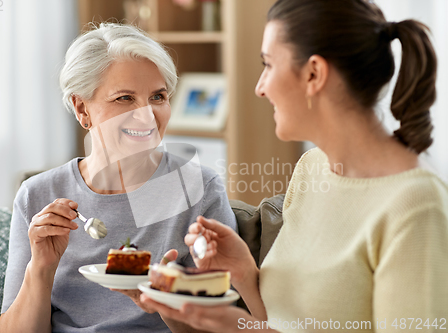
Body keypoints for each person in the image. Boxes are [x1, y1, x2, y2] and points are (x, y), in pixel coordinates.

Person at [140, 0, 448, 331]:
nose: (260, 87)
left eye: (268, 64)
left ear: (314, 73)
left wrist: (236, 328)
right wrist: (245, 274)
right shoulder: (311, 168)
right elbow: (280, 323)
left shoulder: (416, 206)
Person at [0, 23, 236, 333]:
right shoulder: (37, 195)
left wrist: (167, 303)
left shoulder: (200, 189)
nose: (147, 115)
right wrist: (40, 269)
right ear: (82, 109)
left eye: (158, 97)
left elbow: (229, 324)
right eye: (125, 98)